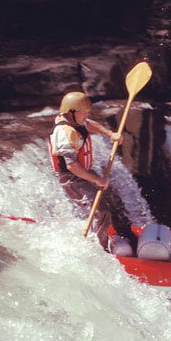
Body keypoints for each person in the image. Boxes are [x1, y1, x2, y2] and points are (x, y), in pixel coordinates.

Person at [48, 91, 137, 252]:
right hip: (72, 179)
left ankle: (126, 235)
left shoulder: (75, 119)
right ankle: (102, 249)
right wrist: (97, 180)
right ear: (72, 112)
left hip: (85, 172)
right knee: (101, 210)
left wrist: (110, 134)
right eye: (84, 113)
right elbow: (72, 166)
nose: (86, 116)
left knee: (114, 200)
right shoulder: (64, 133)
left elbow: (89, 124)